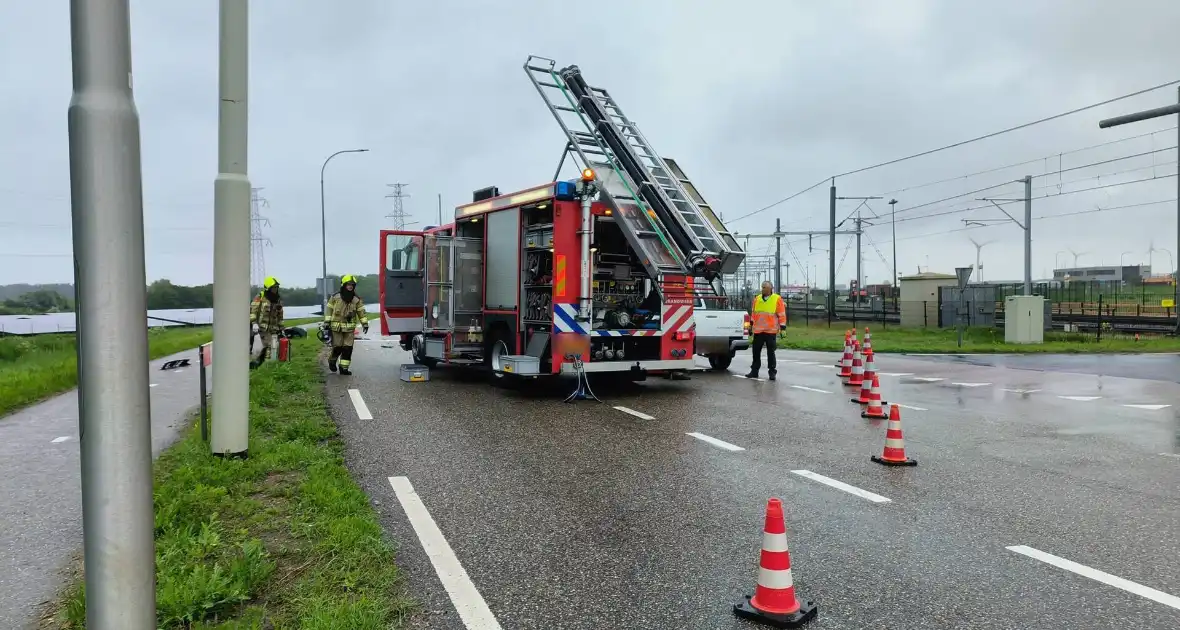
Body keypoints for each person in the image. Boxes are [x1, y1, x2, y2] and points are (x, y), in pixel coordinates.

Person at [322, 275, 369, 375]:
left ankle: (344, 368)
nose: (350, 286)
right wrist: (327, 322)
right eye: (348, 284)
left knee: (348, 348)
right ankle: (332, 360)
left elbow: (361, 312)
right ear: (344, 285)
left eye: (352, 285)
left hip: (349, 329)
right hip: (337, 328)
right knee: (338, 347)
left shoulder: (356, 299)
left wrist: (364, 323)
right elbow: (329, 310)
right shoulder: (335, 297)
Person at [746, 280, 786, 380]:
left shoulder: (777, 299)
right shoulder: (757, 299)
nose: (762, 289)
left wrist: (783, 328)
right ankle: (754, 371)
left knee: (771, 352)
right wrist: (751, 326)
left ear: (770, 288)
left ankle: (772, 372)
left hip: (770, 331)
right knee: (755, 352)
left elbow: (781, 314)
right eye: (762, 287)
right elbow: (754, 314)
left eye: (764, 287)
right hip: (758, 330)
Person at [249, 276, 285, 368]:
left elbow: (280, 315)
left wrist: (282, 328)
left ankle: (258, 363)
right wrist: (254, 323)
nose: (275, 290)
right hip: (262, 327)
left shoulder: (278, 299)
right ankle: (268, 366)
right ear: (268, 288)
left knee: (271, 346)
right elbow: (253, 310)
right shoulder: (260, 297)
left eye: (277, 288)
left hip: (274, 328)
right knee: (270, 345)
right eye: (274, 288)